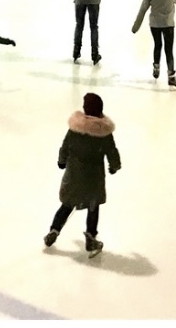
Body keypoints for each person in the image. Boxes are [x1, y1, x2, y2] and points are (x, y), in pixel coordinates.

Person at [43, 93, 121, 258]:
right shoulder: (103, 132)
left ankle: (54, 230)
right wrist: (114, 166)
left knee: (67, 205)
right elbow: (112, 151)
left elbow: (65, 147)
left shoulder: (75, 129)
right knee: (93, 208)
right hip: (93, 178)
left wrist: (61, 161)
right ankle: (91, 238)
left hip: (73, 176)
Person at [130, 0, 176, 88]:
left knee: (158, 45)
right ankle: (171, 76)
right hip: (168, 24)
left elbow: (143, 9)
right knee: (169, 49)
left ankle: (156, 67)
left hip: (155, 24)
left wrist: (136, 26)